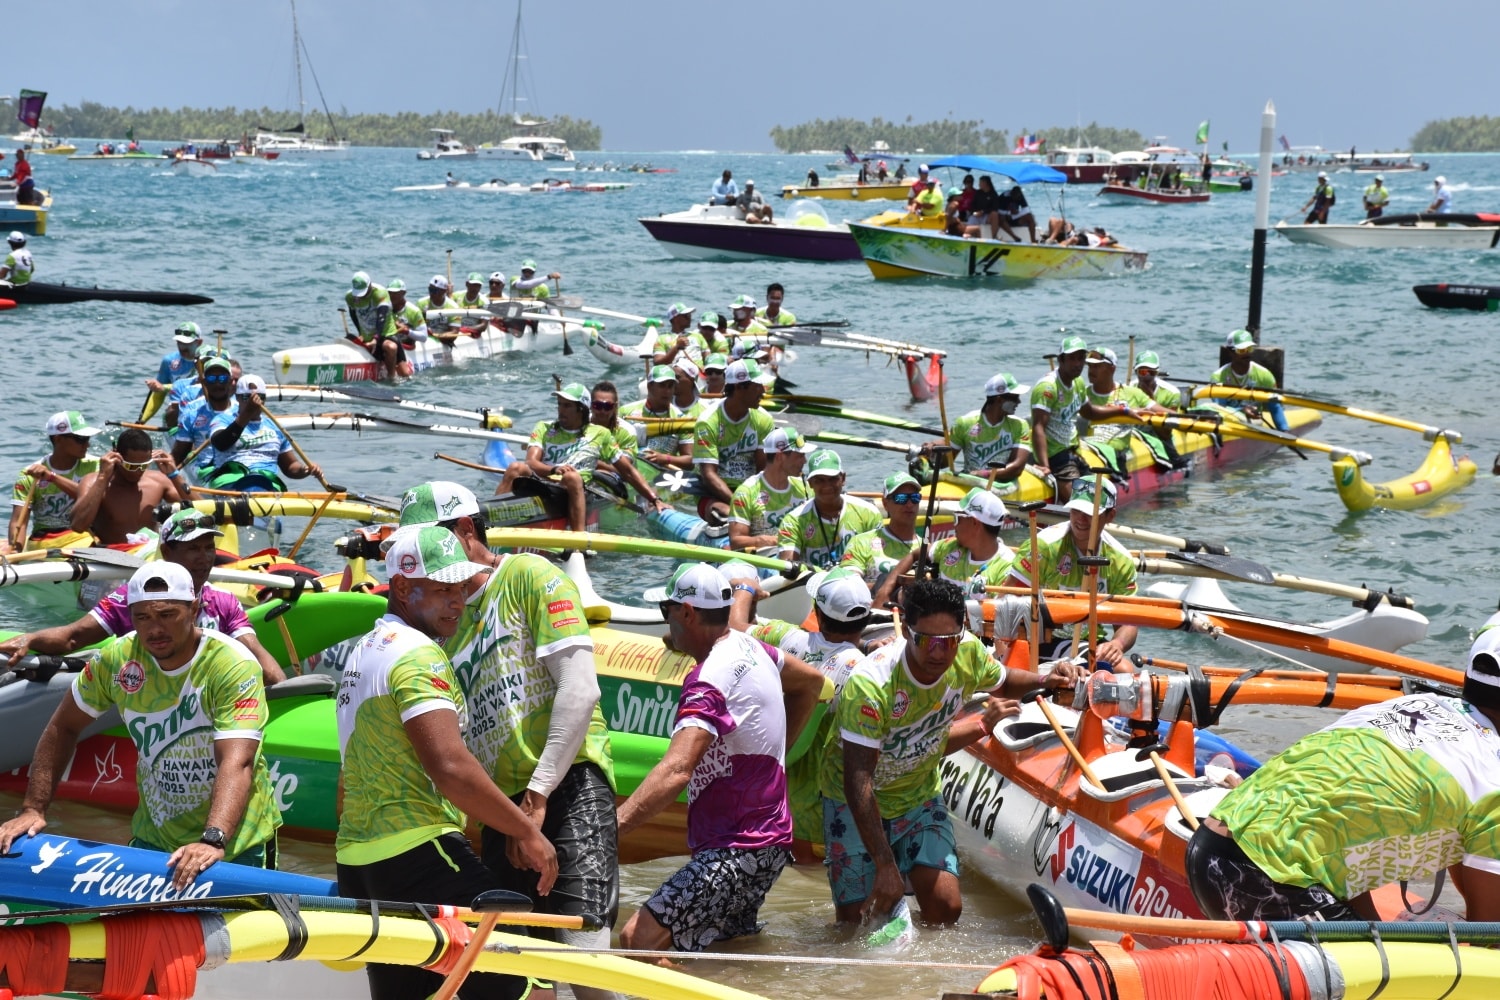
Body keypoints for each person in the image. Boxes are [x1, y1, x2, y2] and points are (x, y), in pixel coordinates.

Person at [401, 484, 618, 999]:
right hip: (500, 807)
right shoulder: (437, 621)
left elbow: (581, 690)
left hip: (567, 787)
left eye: (432, 540)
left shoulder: (529, 575)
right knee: (518, 975)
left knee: (585, 961)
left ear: (467, 531)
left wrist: (538, 798)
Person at [335, 525, 558, 1000]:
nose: (456, 602)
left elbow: (345, 778)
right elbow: (450, 766)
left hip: (359, 861)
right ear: (399, 586)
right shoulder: (419, 655)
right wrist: (526, 831)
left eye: (460, 588)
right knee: (533, 985)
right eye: (440, 591)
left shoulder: (362, 652)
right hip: (418, 854)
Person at [1186, 623, 1500, 923]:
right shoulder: (1492, 780)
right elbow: (1490, 932)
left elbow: (1340, 827)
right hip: (1262, 879)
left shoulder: (1412, 704)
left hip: (1210, 844)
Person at [0, 561, 281, 887]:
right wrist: (33, 809)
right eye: (142, 617)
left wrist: (213, 839)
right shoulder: (116, 659)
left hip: (236, 844)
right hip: (153, 837)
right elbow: (63, 727)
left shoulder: (231, 663)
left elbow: (238, 760)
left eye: (166, 615)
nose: (154, 630)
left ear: (194, 609)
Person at [822, 577, 1080, 924]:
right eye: (925, 640)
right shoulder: (871, 686)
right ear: (907, 632)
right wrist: (884, 865)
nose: (938, 653)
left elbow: (1004, 681)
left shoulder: (969, 653)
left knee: (946, 910)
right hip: (853, 800)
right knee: (855, 926)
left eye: (949, 641)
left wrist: (1045, 680)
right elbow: (859, 781)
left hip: (917, 795)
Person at [616, 563, 825, 953]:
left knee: (637, 939)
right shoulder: (752, 647)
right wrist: (778, 754)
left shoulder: (709, 678)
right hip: (769, 844)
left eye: (667, 611)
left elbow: (677, 770)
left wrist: (612, 829)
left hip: (739, 847)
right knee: (725, 956)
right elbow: (811, 684)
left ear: (687, 613)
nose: (667, 622)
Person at [2, 509, 285, 683]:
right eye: (193, 549)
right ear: (167, 552)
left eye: (208, 548)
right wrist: (32, 639)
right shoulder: (134, 598)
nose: (204, 558)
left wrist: (284, 691)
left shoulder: (224, 602)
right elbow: (73, 637)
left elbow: (263, 664)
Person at [732, 567, 872, 858]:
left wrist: (745, 589)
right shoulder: (866, 673)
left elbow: (735, 629)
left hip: (771, 803)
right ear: (867, 621)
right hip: (826, 818)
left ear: (818, 615)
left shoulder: (786, 639)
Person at [1002, 478, 1138, 667]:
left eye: (1090, 513)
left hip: (1086, 641)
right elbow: (1006, 598)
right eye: (1076, 510)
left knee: (1125, 670)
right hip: (1037, 638)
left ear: (1110, 516)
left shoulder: (1121, 560)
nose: (1080, 519)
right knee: (1123, 669)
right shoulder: (1043, 545)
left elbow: (1128, 621)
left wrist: (1117, 644)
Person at [498, 382, 665, 532]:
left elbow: (627, 471)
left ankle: (578, 543)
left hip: (573, 488)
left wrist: (654, 498)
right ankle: (486, 521)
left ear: (581, 409)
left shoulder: (600, 434)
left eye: (567, 406)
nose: (560, 410)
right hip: (543, 483)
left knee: (572, 477)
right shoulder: (544, 427)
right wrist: (554, 469)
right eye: (560, 405)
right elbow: (531, 462)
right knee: (515, 468)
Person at [883, 487, 1013, 604]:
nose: (954, 525)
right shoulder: (949, 546)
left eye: (957, 518)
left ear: (975, 522)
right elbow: (915, 554)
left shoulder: (1007, 568)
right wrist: (886, 590)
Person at [198, 375, 322, 492]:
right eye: (247, 397)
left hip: (267, 482)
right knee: (252, 485)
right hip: (231, 482)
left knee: (258, 483)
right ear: (237, 398)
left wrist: (305, 470)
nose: (255, 402)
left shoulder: (274, 426)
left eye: (260, 397)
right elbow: (220, 443)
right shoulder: (222, 420)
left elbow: (290, 466)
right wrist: (247, 414)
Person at [71, 428, 192, 544]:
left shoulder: (158, 481)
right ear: (116, 455)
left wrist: (174, 475)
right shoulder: (93, 481)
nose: (138, 471)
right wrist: (102, 477)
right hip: (111, 556)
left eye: (144, 465)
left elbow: (203, 512)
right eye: (131, 466)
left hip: (148, 553)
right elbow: (78, 525)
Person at [4, 411, 102, 553]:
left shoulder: (96, 466)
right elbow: (18, 521)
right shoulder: (29, 476)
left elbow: (92, 498)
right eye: (81, 439)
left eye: (88, 438)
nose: (87, 444)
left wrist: (52, 478)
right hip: (44, 540)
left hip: (83, 535)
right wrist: (16, 550)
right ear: (58, 439)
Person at [692, 359, 776, 521]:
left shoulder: (764, 419)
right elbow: (709, 475)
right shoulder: (708, 421)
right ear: (738, 387)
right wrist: (739, 506)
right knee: (724, 514)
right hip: (713, 493)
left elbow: (763, 470)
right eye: (757, 386)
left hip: (749, 490)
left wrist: (761, 504)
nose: (762, 391)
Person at [776, 449, 882, 570]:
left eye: (832, 479)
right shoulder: (793, 521)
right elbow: (787, 568)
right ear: (810, 483)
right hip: (812, 583)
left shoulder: (868, 513)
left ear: (843, 479)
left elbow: (877, 562)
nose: (827, 485)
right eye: (819, 480)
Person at [727, 427, 814, 551]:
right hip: (766, 557)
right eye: (800, 455)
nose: (805, 461)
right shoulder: (746, 492)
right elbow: (736, 541)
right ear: (780, 457)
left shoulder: (804, 486)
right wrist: (763, 540)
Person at [1030, 334, 1092, 504]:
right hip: (1055, 456)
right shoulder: (1047, 387)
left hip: (1072, 452)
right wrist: (1045, 466)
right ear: (1061, 360)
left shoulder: (1078, 382)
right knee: (1081, 504)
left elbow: (1090, 412)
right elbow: (1038, 427)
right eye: (1072, 358)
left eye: (1081, 358)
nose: (1078, 363)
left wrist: (1124, 411)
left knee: (1097, 497)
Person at [945, 372, 1033, 483]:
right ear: (999, 399)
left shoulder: (1020, 425)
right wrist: (932, 452)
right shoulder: (964, 423)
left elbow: (1017, 468)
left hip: (1002, 485)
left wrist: (984, 473)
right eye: (1015, 397)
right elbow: (946, 461)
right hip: (970, 482)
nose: (1019, 402)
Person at [841, 472, 923, 592]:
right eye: (901, 499)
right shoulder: (861, 543)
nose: (909, 504)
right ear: (885, 504)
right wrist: (890, 586)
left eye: (915, 498)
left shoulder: (926, 549)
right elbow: (848, 587)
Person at [170, 354, 237, 476]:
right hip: (207, 471)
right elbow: (177, 457)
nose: (217, 384)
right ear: (204, 382)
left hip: (239, 469)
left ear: (231, 381)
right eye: (212, 379)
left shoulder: (241, 413)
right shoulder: (191, 414)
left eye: (222, 378)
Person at [1210, 329, 1288, 431]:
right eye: (1241, 350)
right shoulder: (1218, 377)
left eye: (1249, 349)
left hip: (1254, 422)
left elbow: (1275, 408)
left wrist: (1285, 433)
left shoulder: (1265, 376)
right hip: (1228, 422)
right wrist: (1241, 410)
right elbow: (1220, 409)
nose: (1247, 354)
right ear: (1230, 352)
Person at [621, 366, 695, 473]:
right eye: (662, 386)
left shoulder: (681, 421)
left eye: (670, 386)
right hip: (630, 471)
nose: (667, 391)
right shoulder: (625, 412)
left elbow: (690, 461)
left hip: (661, 474)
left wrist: (666, 459)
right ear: (649, 386)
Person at [344, 271, 402, 381]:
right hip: (367, 336)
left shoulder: (380, 293)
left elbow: (382, 318)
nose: (360, 296)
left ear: (369, 284)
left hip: (386, 333)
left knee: (391, 347)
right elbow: (354, 315)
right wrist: (360, 333)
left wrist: (376, 339)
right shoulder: (349, 297)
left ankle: (392, 377)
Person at [588, 380, 638, 458]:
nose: (602, 411)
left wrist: (593, 461)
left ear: (615, 407)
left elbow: (627, 466)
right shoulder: (579, 425)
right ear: (590, 405)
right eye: (597, 405)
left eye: (607, 406)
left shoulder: (628, 432)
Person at [386, 278, 425, 367]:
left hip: (406, 346)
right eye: (389, 293)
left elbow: (424, 337)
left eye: (395, 293)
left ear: (403, 293)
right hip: (390, 344)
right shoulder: (385, 309)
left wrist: (406, 331)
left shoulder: (414, 311)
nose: (391, 296)